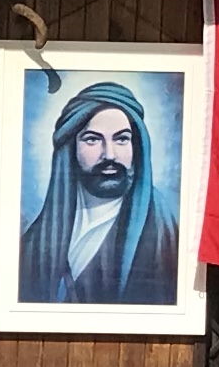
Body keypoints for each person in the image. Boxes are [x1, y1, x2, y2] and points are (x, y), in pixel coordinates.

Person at [18, 78, 180, 308]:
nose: (109, 154)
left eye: (122, 139)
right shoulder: (38, 238)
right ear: (71, 148)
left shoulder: (164, 226)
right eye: (93, 139)